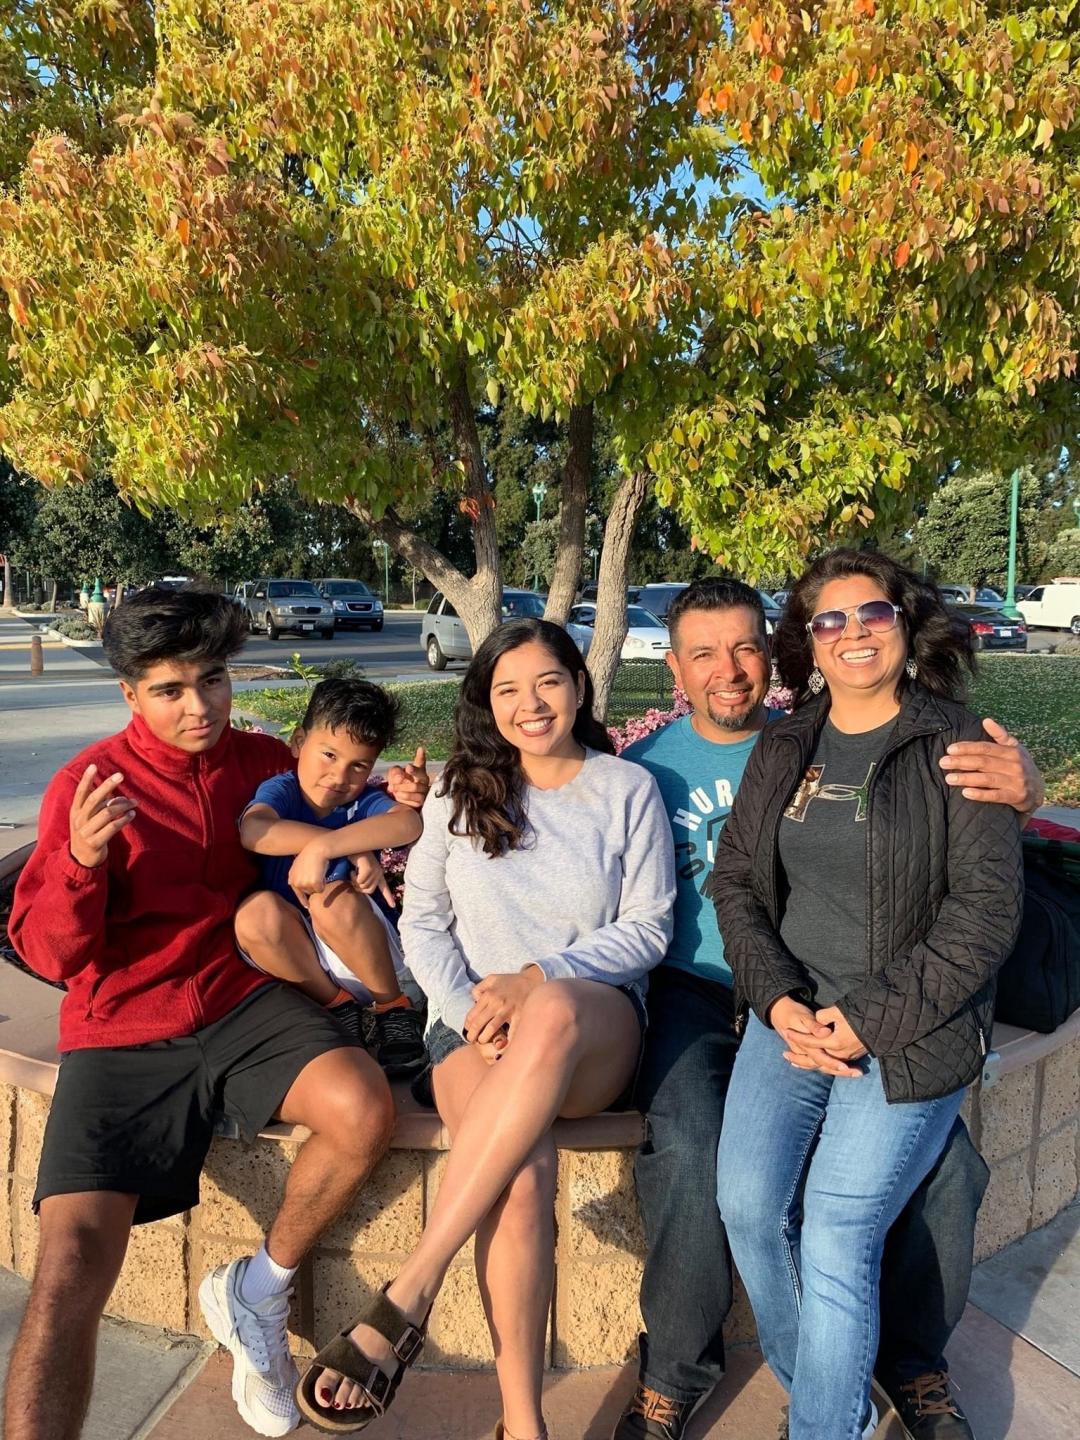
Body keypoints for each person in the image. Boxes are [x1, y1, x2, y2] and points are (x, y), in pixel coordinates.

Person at [615, 576, 1044, 1440]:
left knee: (938, 1178)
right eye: (704, 653)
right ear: (675, 668)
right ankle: (694, 1371)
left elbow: (985, 906)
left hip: (886, 1014)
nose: (728, 669)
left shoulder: (921, 742)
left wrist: (1026, 786)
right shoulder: (645, 766)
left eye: (744, 646)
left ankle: (905, 1369)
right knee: (716, 1174)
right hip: (728, 998)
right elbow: (563, 814)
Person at [3, 589, 427, 1440]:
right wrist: (81, 862)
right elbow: (48, 955)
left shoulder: (260, 760)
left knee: (362, 1106)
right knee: (69, 1269)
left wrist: (394, 792)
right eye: (169, 689)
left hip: (244, 1001)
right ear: (130, 694)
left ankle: (258, 1293)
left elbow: (333, 790)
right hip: (123, 1023)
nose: (198, 706)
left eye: (213, 680)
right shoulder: (87, 787)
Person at [293, 618, 675, 1438]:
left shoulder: (624, 789)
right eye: (507, 688)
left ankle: (408, 1291)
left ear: (578, 683)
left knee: (557, 1010)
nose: (530, 704)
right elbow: (423, 923)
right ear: (485, 702)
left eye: (547, 682)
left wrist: (535, 981)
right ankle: (523, 1424)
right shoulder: (454, 794)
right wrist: (467, 1006)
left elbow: (649, 928)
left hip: (591, 1028)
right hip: (468, 1031)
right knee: (523, 1173)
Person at [235, 676, 427, 1077]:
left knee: (330, 898)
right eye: (328, 755)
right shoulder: (283, 792)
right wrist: (342, 844)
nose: (340, 777)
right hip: (310, 966)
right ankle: (337, 1007)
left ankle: (394, 1009)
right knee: (254, 914)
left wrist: (323, 849)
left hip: (379, 964)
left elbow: (406, 824)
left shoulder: (363, 802)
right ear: (298, 742)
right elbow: (255, 831)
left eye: (359, 766)